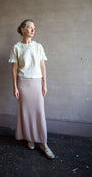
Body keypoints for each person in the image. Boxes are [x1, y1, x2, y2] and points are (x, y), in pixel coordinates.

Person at [9, 19, 55, 159]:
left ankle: (43, 144)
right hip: (23, 83)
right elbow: (14, 69)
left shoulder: (38, 46)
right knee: (26, 113)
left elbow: (42, 67)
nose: (33, 30)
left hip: (36, 83)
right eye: (30, 27)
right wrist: (15, 87)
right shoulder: (16, 47)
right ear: (23, 30)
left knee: (39, 112)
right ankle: (30, 138)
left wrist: (44, 84)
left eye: (34, 28)